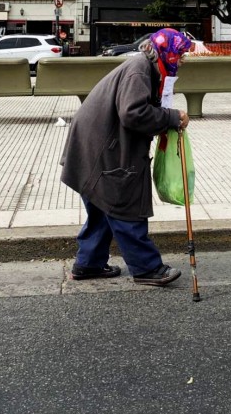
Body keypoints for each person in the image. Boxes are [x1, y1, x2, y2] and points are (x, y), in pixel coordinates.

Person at [61, 27, 192, 287]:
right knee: (124, 207)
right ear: (165, 52)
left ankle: (88, 264)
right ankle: (147, 268)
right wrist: (172, 117)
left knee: (102, 207)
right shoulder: (139, 70)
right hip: (104, 151)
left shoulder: (146, 67)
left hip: (94, 147)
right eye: (179, 54)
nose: (182, 60)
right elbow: (133, 113)